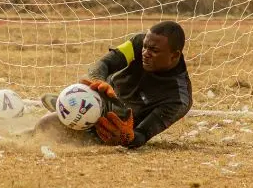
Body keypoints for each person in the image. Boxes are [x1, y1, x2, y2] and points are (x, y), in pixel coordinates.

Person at [34, 20, 192, 148]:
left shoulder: (179, 99)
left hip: (109, 127)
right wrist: (98, 81)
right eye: (145, 47)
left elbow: (143, 134)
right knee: (45, 125)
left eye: (154, 50)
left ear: (175, 55)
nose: (145, 53)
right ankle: (75, 104)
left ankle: (71, 108)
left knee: (47, 125)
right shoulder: (138, 42)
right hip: (99, 98)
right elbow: (104, 64)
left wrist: (126, 137)